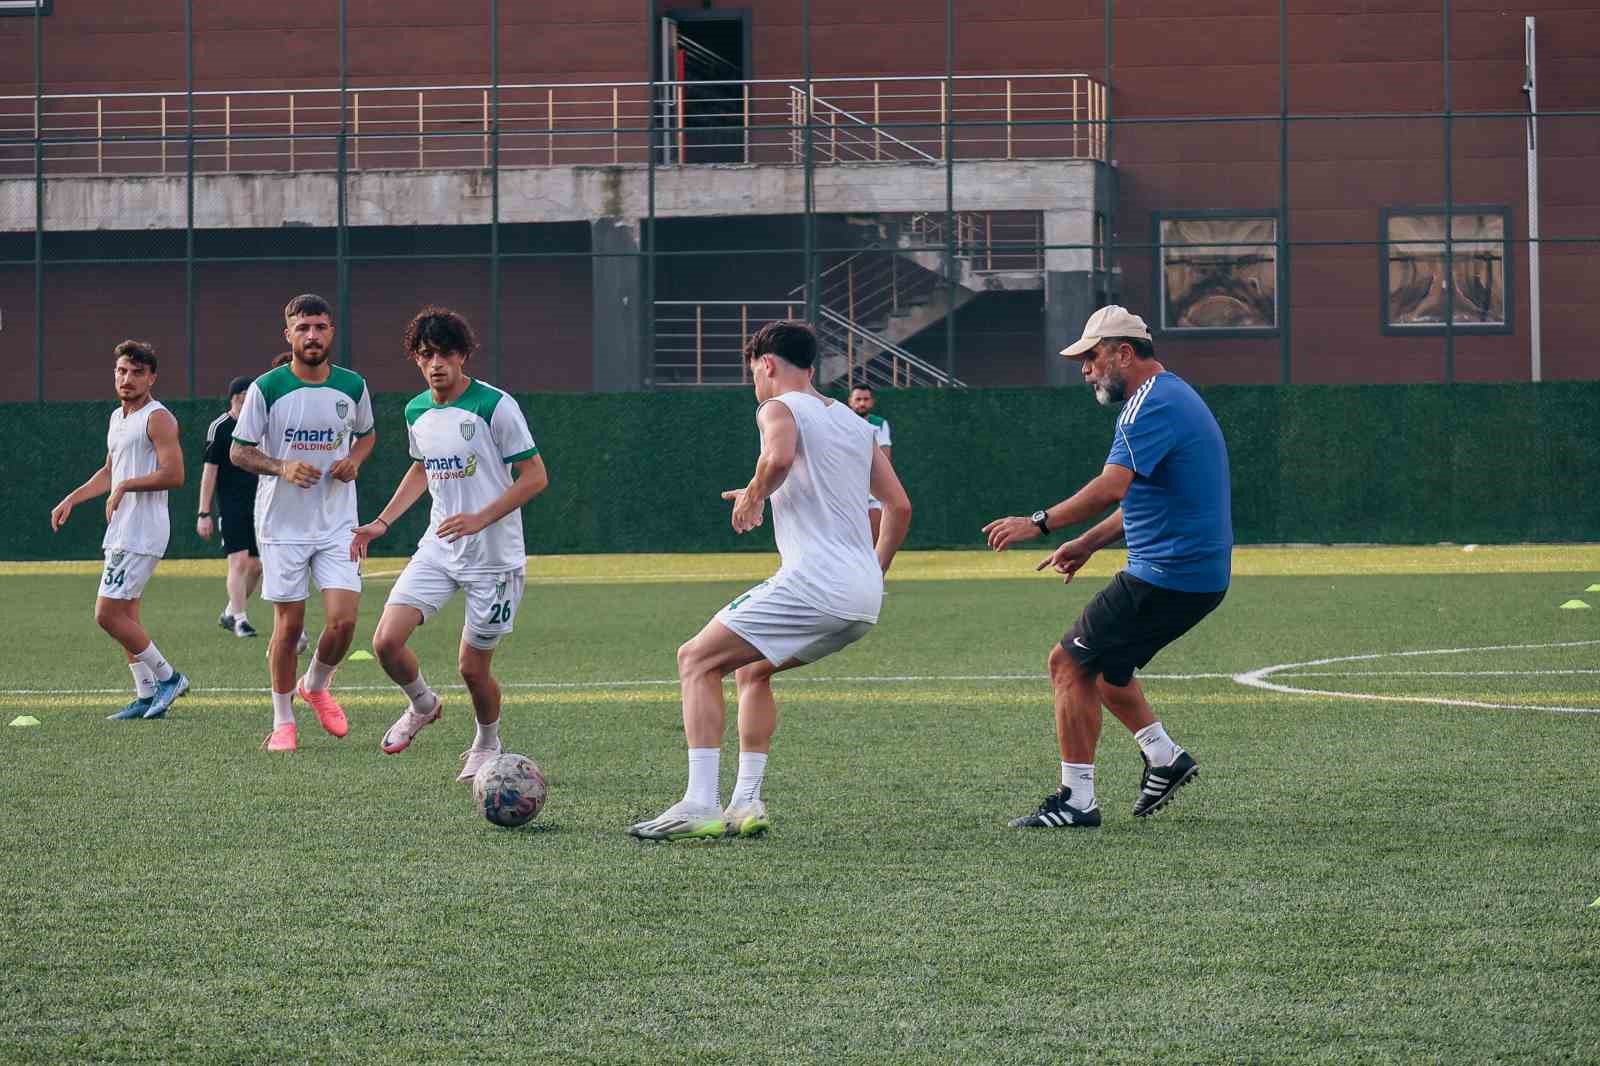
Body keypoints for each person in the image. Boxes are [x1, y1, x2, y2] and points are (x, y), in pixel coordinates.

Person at [629, 320, 912, 841]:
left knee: (694, 659)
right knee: (751, 671)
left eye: (753, 372)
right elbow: (898, 505)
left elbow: (777, 457)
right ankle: (746, 801)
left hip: (816, 584)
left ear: (767, 364)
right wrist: (874, 571)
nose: (754, 385)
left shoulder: (777, 406)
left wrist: (756, 493)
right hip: (863, 597)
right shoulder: (854, 422)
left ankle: (698, 804)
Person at [983, 305, 1231, 828]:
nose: (1085, 369)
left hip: (1168, 574)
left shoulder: (1149, 405)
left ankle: (1076, 801)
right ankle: (1165, 758)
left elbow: (1111, 486)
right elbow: (1141, 497)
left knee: (1068, 663)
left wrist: (1040, 523)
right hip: (1190, 576)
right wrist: (1089, 542)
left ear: (1123, 352)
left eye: (1092, 357)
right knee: (1107, 671)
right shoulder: (1172, 395)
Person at [350, 308, 549, 782]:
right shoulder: (417, 410)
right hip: (438, 547)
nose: (436, 363)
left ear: (462, 355)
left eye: (444, 354)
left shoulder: (495, 406)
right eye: (426, 355)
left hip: (493, 559)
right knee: (385, 642)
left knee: (472, 669)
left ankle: (487, 742)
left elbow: (536, 475)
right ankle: (423, 704)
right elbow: (421, 468)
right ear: (416, 360)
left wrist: (481, 518)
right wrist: (381, 522)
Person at [231, 294, 376, 753]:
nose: (311, 335)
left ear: (332, 332)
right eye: (302, 328)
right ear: (288, 334)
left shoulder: (353, 386)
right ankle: (282, 721)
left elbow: (368, 434)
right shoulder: (266, 388)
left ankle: (315, 685)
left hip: (337, 522)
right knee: (288, 628)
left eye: (320, 327)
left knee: (343, 623)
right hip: (283, 526)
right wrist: (281, 466)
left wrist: (354, 458)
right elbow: (240, 450)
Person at [50, 340, 189, 720]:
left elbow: (174, 474)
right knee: (126, 615)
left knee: (107, 615)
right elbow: (110, 471)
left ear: (152, 377)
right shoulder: (118, 418)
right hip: (122, 529)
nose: (127, 379)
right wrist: (72, 499)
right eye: (122, 371)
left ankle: (168, 677)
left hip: (142, 530)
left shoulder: (158, 418)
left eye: (137, 372)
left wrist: (126, 487)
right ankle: (146, 695)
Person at [198, 375, 263, 637]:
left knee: (256, 566)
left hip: (259, 505)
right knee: (238, 561)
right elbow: (209, 472)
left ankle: (230, 612)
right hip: (231, 505)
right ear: (233, 397)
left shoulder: (259, 426)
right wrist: (204, 512)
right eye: (241, 394)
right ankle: (240, 620)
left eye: (250, 394)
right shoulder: (220, 427)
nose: (246, 398)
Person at [848, 384, 893, 543]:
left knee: (875, 529)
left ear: (872, 402)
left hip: (872, 484)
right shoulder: (842, 423)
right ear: (850, 402)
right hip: (847, 484)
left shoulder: (880, 424)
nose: (862, 403)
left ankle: (873, 564)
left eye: (866, 399)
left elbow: (885, 456)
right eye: (858, 399)